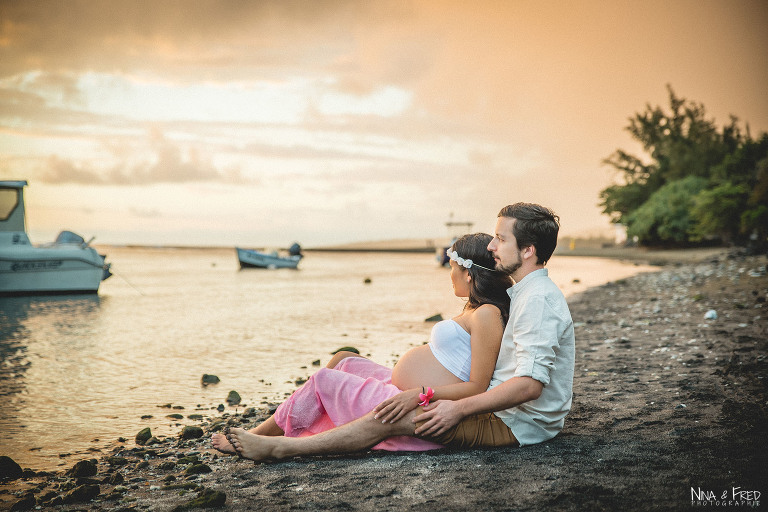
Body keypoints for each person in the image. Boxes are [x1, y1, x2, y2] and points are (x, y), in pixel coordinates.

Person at [225, 202, 575, 461]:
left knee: (389, 416)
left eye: (501, 238)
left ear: (528, 251)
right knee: (347, 364)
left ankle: (280, 447)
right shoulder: (525, 294)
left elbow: (529, 385)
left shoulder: (537, 301)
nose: (492, 247)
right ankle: (280, 432)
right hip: (500, 413)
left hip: (514, 424)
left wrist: (454, 407)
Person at [212, 232, 513, 454]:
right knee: (344, 359)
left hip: (416, 404)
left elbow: (478, 386)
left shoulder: (487, 314)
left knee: (324, 380)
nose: (449, 275)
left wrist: (420, 395)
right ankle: (276, 428)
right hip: (408, 393)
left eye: (453, 268)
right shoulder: (475, 308)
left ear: (469, 273)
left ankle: (262, 438)